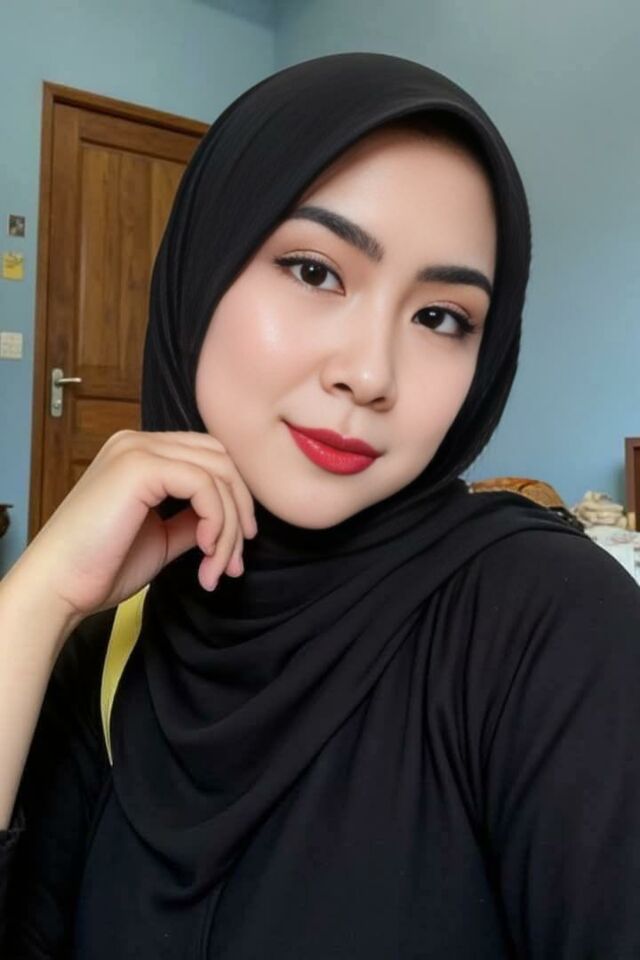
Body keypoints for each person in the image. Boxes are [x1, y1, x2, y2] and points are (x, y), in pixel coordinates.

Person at [1, 51, 639, 959]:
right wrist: (33, 603)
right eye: (314, 271)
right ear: (202, 269)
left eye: (441, 317)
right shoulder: (116, 646)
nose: (370, 374)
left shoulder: (554, 627)